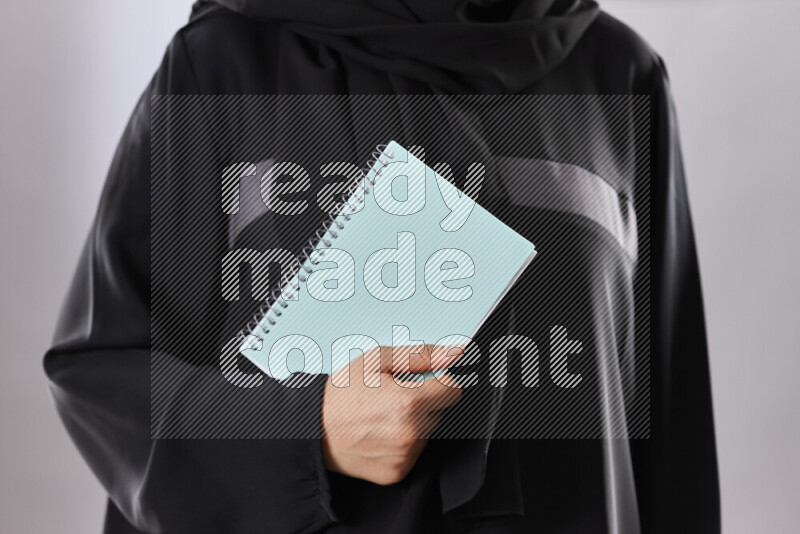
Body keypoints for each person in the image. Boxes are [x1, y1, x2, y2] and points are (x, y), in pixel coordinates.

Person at [44, 1, 719, 532]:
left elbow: (672, 431)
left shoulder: (620, 75)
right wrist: (309, 434)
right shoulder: (225, 64)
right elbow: (108, 375)